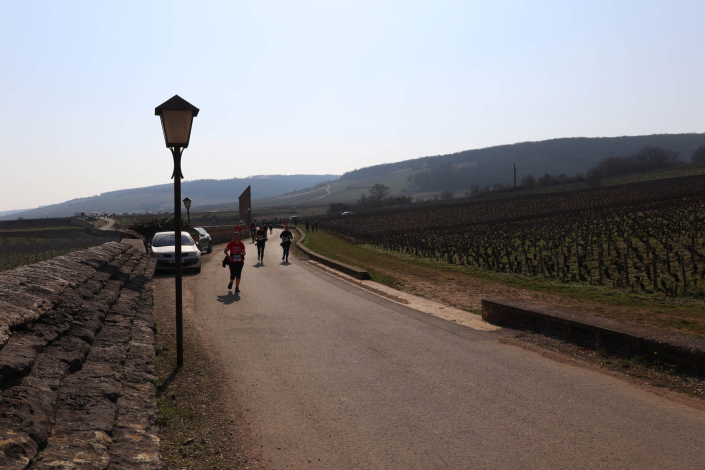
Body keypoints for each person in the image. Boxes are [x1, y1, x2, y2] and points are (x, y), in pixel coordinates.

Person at [223, 228, 246, 293]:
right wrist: (229, 257)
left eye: (238, 236)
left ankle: (237, 287)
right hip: (232, 261)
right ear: (233, 237)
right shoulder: (230, 243)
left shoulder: (241, 244)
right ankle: (231, 282)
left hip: (240, 261)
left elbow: (244, 252)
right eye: (235, 236)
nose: (237, 237)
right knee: (233, 275)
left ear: (240, 237)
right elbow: (225, 251)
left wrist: (244, 253)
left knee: (238, 274)